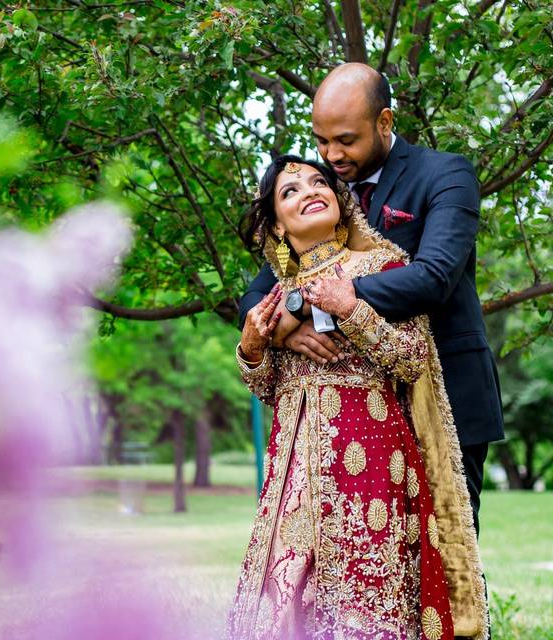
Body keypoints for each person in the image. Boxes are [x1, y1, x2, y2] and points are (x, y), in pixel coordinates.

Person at [227, 156, 486, 640]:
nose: (308, 190)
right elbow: (268, 389)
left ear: (342, 204)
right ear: (277, 229)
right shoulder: (274, 299)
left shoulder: (380, 266)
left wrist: (351, 309)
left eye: (318, 181)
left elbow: (412, 361)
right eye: (290, 191)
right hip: (295, 477)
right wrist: (253, 347)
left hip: (372, 469)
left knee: (368, 602)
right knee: (287, 608)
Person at [238, 64, 504, 536]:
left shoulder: (446, 174)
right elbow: (260, 292)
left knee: (448, 556)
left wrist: (320, 302)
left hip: (446, 391)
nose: (331, 154)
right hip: (357, 415)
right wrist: (286, 326)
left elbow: (433, 278)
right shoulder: (326, 190)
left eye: (344, 140)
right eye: (320, 140)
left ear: (384, 122)